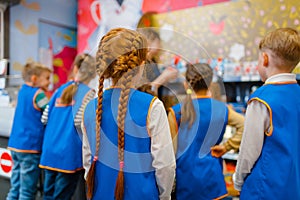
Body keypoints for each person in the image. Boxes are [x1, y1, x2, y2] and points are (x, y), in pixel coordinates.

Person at [82, 28, 176, 200]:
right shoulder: (152, 107)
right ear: (141, 65)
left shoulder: (90, 108)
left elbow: (88, 163)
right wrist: (164, 196)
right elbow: (165, 165)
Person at [233, 27, 300, 199]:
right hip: (292, 184)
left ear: (264, 58)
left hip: (266, 187)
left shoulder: (261, 99)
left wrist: (238, 181)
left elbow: (249, 150)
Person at [168, 63, 244, 199]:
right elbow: (244, 125)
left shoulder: (176, 112)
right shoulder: (221, 109)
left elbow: (170, 153)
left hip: (185, 183)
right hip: (213, 181)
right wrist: (226, 147)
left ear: (186, 84)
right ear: (210, 85)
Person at [39, 54, 96, 199]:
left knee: (48, 194)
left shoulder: (59, 90)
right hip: (68, 154)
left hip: (50, 151)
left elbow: (44, 118)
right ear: (93, 73)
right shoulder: (89, 93)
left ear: (75, 68)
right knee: (62, 196)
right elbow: (80, 123)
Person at [7, 62, 51, 200]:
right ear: (34, 79)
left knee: (15, 187)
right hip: (30, 147)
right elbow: (50, 112)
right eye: (47, 78)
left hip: (15, 145)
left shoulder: (22, 90)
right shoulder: (39, 94)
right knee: (27, 192)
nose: (49, 82)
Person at [137, 28, 179, 108]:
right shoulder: (141, 64)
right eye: (158, 42)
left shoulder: (153, 60)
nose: (160, 45)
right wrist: (164, 77)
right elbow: (145, 90)